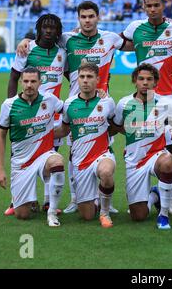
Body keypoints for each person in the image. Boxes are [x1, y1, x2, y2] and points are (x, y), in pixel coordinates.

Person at [17, 1, 133, 214]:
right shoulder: (67, 39)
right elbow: (44, 37)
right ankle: (75, 198)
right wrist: (26, 40)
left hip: (101, 103)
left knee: (104, 145)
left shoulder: (110, 38)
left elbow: (136, 44)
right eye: (83, 17)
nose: (87, 20)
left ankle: (105, 199)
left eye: (91, 16)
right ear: (78, 19)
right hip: (74, 104)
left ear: (98, 17)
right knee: (74, 151)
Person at [120, 0, 172, 216]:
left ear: (164, 5)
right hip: (143, 99)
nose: (152, 9)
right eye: (148, 5)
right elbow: (113, 43)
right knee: (142, 139)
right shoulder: (135, 28)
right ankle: (147, 190)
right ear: (143, 7)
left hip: (169, 96)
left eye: (156, 5)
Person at [4, 14, 66, 216]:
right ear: (39, 29)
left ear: (58, 31)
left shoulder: (62, 53)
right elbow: (14, 77)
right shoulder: (27, 48)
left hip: (51, 117)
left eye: (53, 27)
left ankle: (49, 201)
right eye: (45, 27)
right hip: (25, 114)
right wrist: (14, 111)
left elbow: (72, 77)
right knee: (22, 159)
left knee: (51, 159)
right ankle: (18, 200)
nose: (49, 31)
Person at [0, 67, 65, 227]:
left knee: (57, 161)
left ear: (40, 82)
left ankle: (52, 212)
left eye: (33, 81)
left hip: (44, 156)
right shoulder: (9, 105)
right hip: (21, 163)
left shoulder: (50, 99)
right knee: (23, 215)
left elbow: (70, 108)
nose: (29, 85)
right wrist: (0, 169)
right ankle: (29, 199)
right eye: (26, 81)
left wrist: (98, 96)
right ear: (21, 82)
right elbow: (0, 135)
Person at [111, 64, 172, 229]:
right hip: (134, 161)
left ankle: (163, 216)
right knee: (138, 216)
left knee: (168, 161)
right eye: (141, 79)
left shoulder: (165, 103)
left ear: (156, 82)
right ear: (135, 80)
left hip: (156, 155)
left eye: (149, 79)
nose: (145, 82)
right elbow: (116, 126)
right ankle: (155, 195)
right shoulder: (124, 103)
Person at [54, 63, 116, 228]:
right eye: (82, 77)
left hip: (102, 154)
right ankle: (96, 197)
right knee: (87, 215)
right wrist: (42, 134)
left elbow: (116, 125)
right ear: (77, 79)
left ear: (97, 79)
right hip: (81, 162)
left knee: (106, 172)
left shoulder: (107, 102)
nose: (85, 81)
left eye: (89, 77)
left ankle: (105, 213)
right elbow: (64, 129)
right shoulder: (69, 104)